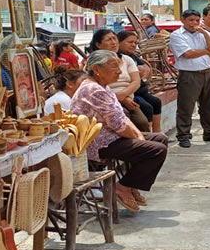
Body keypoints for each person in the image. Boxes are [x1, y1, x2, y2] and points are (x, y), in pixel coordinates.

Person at [70, 50, 168, 212]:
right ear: (96, 69)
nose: (119, 71)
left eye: (119, 66)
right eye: (114, 67)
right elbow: (119, 126)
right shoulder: (94, 90)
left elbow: (122, 117)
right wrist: (138, 139)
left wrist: (138, 135)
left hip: (112, 136)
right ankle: (123, 187)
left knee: (159, 139)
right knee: (157, 150)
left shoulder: (104, 87)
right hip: (98, 143)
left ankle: (131, 184)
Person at [169, 10, 210, 148]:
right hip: (190, 74)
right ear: (183, 20)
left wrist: (204, 33)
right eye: (191, 20)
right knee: (186, 106)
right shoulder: (177, 35)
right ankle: (184, 135)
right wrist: (206, 51)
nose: (194, 23)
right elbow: (188, 53)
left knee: (208, 105)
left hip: (208, 72)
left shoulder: (203, 33)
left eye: (197, 20)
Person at [89, 29, 149, 131]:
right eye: (109, 40)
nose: (113, 42)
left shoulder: (127, 59)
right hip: (107, 101)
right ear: (98, 45)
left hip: (128, 98)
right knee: (124, 123)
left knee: (142, 122)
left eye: (114, 38)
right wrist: (119, 98)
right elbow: (96, 86)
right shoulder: (94, 63)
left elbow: (136, 81)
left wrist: (123, 95)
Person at [118, 30, 163, 132]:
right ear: (119, 42)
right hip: (132, 93)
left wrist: (144, 70)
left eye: (135, 43)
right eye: (130, 42)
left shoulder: (132, 56)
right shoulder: (120, 57)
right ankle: (148, 135)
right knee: (147, 107)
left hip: (142, 90)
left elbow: (145, 67)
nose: (133, 45)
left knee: (156, 102)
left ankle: (157, 132)